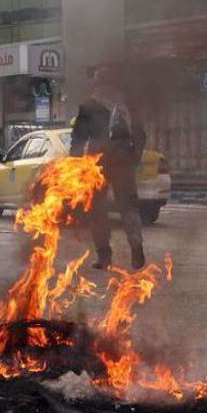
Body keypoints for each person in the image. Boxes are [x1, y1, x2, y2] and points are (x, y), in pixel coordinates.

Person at [70, 65, 146, 271]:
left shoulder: (89, 105)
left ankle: (104, 256)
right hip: (123, 160)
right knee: (128, 206)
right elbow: (140, 134)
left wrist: (75, 162)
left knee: (97, 210)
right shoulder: (127, 106)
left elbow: (78, 137)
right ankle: (136, 245)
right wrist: (134, 156)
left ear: (97, 83)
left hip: (97, 162)